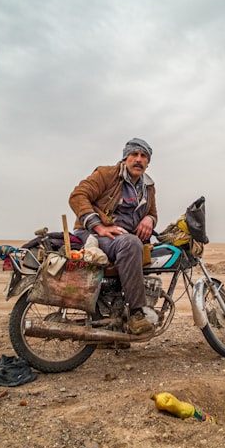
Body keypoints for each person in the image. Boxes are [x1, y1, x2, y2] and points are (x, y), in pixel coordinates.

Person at [69, 137, 159, 335]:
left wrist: (149, 220)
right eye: (134, 154)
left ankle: (114, 324)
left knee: (139, 248)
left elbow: (152, 212)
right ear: (125, 158)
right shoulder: (106, 174)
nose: (138, 159)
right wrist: (98, 226)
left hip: (121, 239)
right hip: (93, 234)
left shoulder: (148, 187)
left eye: (143, 156)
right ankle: (136, 314)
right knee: (130, 244)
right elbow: (78, 196)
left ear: (148, 162)